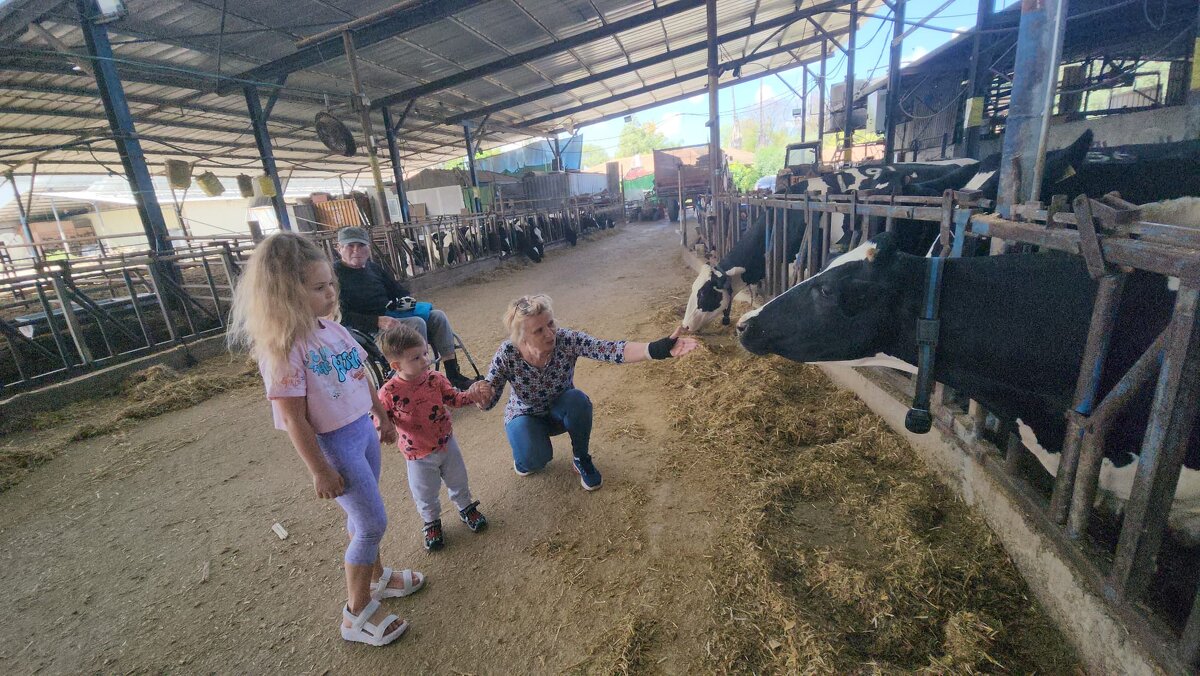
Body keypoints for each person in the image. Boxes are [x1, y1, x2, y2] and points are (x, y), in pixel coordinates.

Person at [227, 232, 425, 648]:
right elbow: (293, 417)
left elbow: (362, 376)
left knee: (362, 518)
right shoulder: (284, 349)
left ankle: (378, 577)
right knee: (372, 522)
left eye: (330, 284)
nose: (331, 293)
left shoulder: (334, 331)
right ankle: (356, 612)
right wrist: (319, 468)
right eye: (319, 288)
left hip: (361, 432)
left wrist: (382, 415)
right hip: (334, 446)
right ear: (284, 294)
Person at [475, 294, 700, 491]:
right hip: (525, 416)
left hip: (560, 411)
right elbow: (489, 396)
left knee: (578, 401)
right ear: (522, 336)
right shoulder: (508, 352)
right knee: (534, 461)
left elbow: (610, 349)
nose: (550, 333)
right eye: (539, 330)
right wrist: (482, 395)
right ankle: (526, 458)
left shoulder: (566, 340)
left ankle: (580, 458)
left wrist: (658, 349)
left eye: (551, 324)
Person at [375, 323, 491, 551]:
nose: (425, 360)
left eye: (425, 353)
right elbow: (381, 419)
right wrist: (382, 428)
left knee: (458, 479)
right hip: (416, 454)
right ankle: (431, 522)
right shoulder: (388, 392)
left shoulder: (435, 379)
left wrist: (472, 396)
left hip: (446, 443)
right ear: (396, 365)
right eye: (416, 357)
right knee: (425, 492)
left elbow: (454, 398)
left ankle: (466, 506)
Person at [334, 226, 477, 390]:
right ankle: (422, 381)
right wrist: (376, 321)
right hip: (367, 331)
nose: (356, 250)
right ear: (339, 248)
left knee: (438, 316)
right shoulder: (335, 276)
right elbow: (340, 316)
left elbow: (397, 290)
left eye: (361, 245)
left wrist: (404, 300)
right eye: (350, 246)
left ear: (368, 248)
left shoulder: (373, 268)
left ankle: (453, 375)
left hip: (391, 317)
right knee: (416, 323)